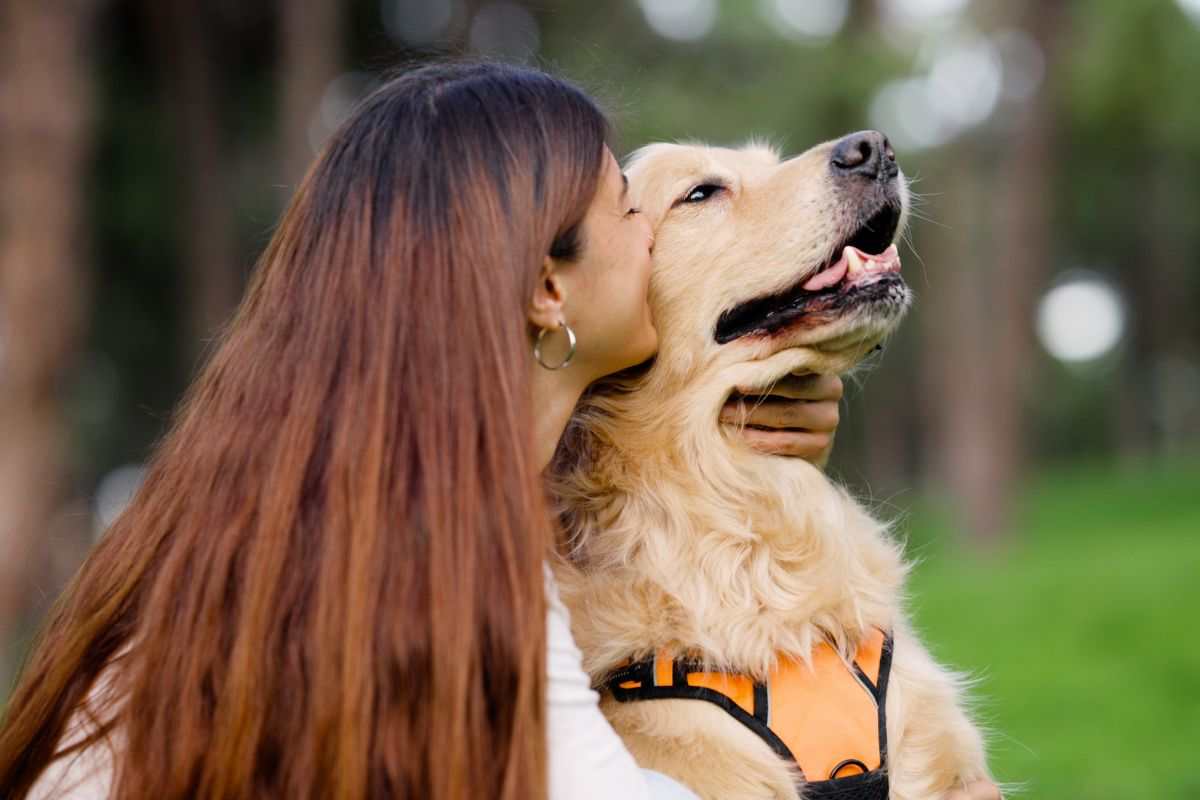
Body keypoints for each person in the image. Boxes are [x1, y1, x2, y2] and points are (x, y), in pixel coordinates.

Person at [0, 61, 995, 800]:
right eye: (647, 204)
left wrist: (735, 411)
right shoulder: (446, 559)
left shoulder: (319, 491)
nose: (647, 238)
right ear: (545, 285)